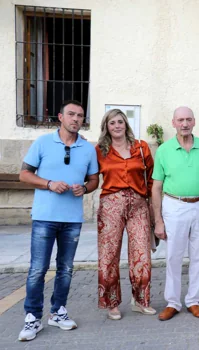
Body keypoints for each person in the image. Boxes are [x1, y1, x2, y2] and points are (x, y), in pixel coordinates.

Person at [18, 100, 99, 341]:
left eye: (80, 116)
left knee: (65, 269)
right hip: (44, 216)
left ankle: (58, 312)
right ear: (60, 117)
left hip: (72, 219)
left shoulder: (88, 149)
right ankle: (32, 318)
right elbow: (24, 174)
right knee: (37, 269)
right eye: (71, 114)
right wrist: (49, 184)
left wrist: (84, 189)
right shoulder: (43, 142)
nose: (76, 119)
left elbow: (94, 180)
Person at [151, 106, 199, 321]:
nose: (184, 124)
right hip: (174, 205)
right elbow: (156, 187)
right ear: (173, 123)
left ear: (194, 122)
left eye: (188, 119)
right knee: (173, 256)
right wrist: (158, 220)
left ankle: (194, 300)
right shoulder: (164, 150)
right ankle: (173, 302)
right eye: (180, 120)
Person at [96, 109, 157, 320]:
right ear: (107, 126)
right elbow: (90, 175)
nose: (117, 126)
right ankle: (112, 303)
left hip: (139, 205)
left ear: (126, 124)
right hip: (111, 205)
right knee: (109, 255)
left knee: (141, 253)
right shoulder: (99, 150)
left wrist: (151, 203)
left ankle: (141, 301)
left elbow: (151, 175)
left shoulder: (141, 147)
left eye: (120, 122)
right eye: (112, 123)